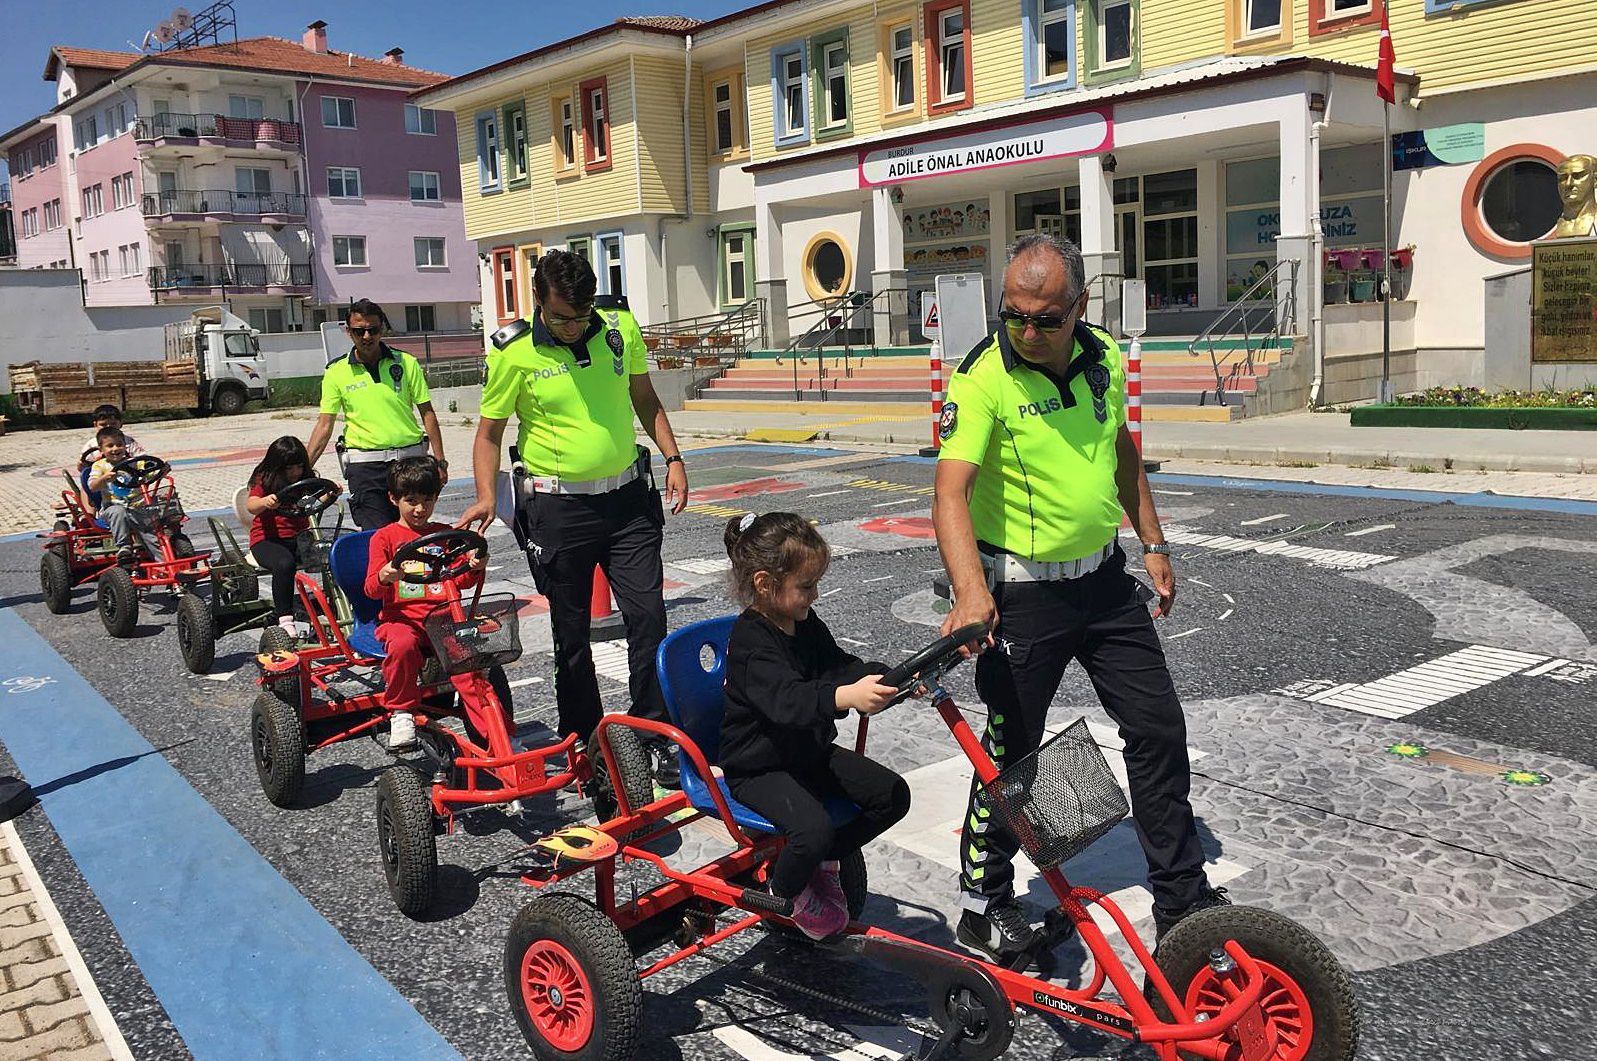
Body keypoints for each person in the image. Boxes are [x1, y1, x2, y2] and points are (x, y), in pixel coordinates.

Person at [932, 233, 1226, 965]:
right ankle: (983, 903)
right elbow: (949, 491)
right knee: (1010, 753)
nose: (1028, 332)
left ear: (1079, 307)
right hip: (1021, 596)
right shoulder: (983, 375)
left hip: (1102, 584)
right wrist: (970, 592)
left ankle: (1181, 900)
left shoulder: (1100, 356)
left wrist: (1152, 542)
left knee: (1157, 729)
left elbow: (1121, 450)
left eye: (1045, 318)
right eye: (1014, 316)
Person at [459, 249, 689, 789]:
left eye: (582, 313)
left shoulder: (617, 327)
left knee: (648, 618)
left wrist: (674, 457)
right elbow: (489, 434)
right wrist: (487, 496)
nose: (573, 325)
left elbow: (644, 398)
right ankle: (585, 741)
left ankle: (652, 733)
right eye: (562, 315)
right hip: (558, 511)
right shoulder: (513, 354)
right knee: (571, 635)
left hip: (629, 502)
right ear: (538, 301)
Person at [719, 512, 911, 941]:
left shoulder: (803, 624)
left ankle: (824, 860)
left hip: (806, 753)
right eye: (806, 586)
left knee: (892, 796)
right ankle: (783, 894)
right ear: (765, 584)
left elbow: (837, 665)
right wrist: (845, 697)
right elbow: (788, 702)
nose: (815, 594)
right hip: (759, 767)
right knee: (813, 828)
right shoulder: (752, 642)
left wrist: (889, 677)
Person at [364, 457, 485, 752]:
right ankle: (401, 712)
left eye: (427, 500)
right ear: (394, 499)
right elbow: (370, 589)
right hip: (402, 620)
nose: (420, 509)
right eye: (411, 501)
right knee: (402, 645)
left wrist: (474, 564)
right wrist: (384, 576)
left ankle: (497, 734)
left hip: (443, 618)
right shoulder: (385, 538)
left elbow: (462, 580)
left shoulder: (444, 534)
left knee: (472, 666)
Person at [307, 299, 448, 530]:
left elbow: (427, 413)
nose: (366, 336)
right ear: (348, 332)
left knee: (413, 533)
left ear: (382, 329)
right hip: (366, 467)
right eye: (359, 331)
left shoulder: (406, 363)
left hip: (410, 461)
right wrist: (303, 469)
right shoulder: (336, 372)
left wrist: (440, 462)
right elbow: (324, 426)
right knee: (377, 535)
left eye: (372, 330)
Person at [245, 436, 330, 638]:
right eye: (289, 469)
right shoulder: (264, 478)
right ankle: (285, 619)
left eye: (299, 467)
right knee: (285, 563)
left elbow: (316, 501)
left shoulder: (305, 480)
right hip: (267, 540)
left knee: (333, 553)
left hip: (300, 537)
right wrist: (265, 502)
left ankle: (337, 605)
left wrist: (331, 492)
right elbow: (251, 505)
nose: (295, 473)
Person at [86, 427, 158, 566]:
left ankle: (166, 564)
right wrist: (104, 478)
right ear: (101, 450)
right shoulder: (99, 466)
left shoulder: (135, 463)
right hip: (112, 508)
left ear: (125, 446)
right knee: (118, 512)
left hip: (136, 507)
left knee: (152, 532)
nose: (115, 449)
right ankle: (124, 547)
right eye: (110, 446)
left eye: (119, 444)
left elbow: (150, 473)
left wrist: (161, 469)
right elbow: (92, 486)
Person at [78, 405, 144, 513]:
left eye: (113, 424)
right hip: (100, 476)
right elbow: (83, 466)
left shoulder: (128, 441)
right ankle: (89, 514)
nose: (109, 427)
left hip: (126, 475)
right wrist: (87, 464)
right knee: (85, 483)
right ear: (95, 425)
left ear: (120, 423)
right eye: (103, 425)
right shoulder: (92, 444)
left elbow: (142, 458)